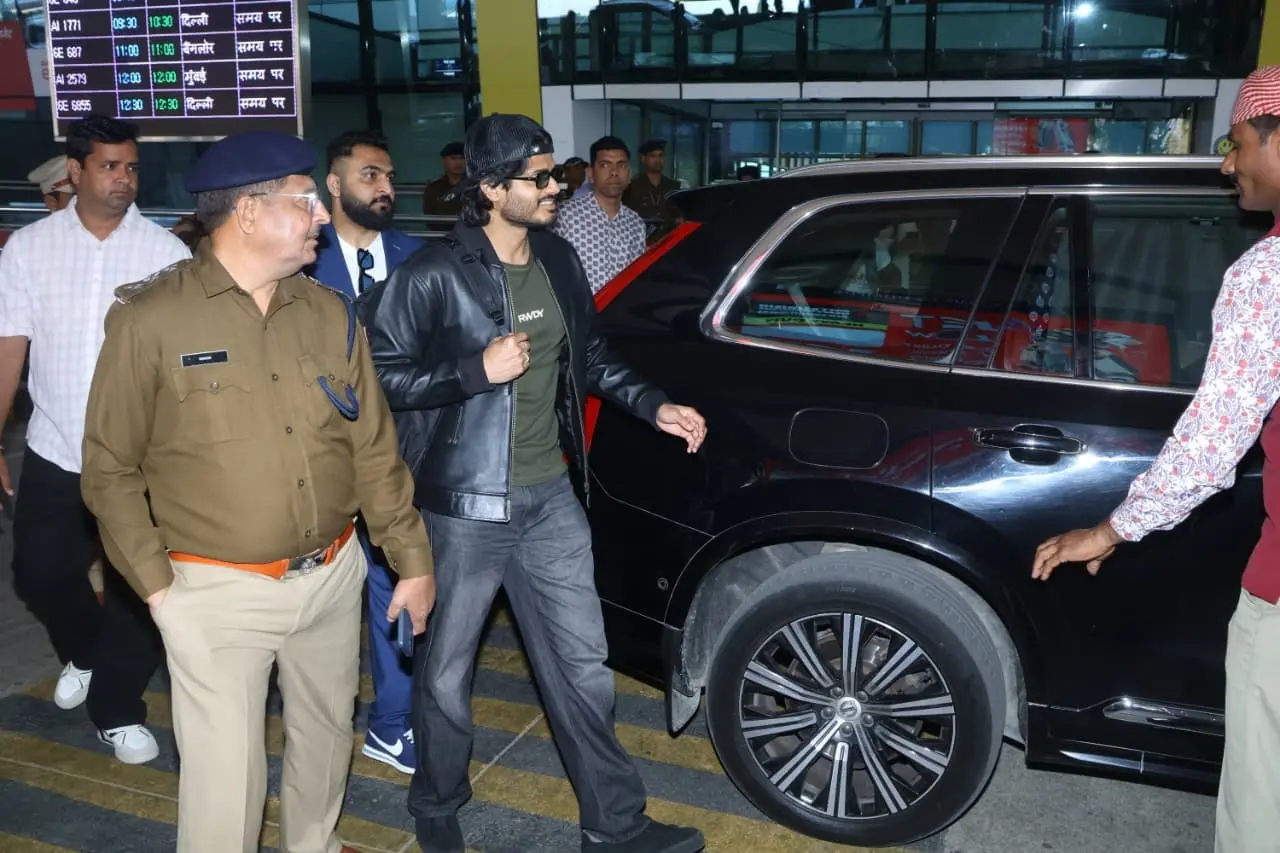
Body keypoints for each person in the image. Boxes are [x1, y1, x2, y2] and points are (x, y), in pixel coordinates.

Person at [357, 113, 709, 853]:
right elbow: (377, 378)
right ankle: (436, 803)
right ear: (490, 188)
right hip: (463, 509)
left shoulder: (557, 259)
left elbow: (594, 356)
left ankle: (613, 825)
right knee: (447, 675)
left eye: (555, 174)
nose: (558, 187)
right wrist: (470, 372)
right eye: (540, 178)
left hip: (551, 497)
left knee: (585, 667)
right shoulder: (432, 272)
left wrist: (656, 404)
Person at [79, 130, 436, 853]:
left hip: (331, 575)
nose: (317, 215)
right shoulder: (152, 320)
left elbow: (372, 447)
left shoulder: (331, 313)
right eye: (304, 200)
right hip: (213, 590)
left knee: (327, 735)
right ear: (247, 212)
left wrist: (413, 558)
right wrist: (157, 589)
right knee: (224, 779)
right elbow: (109, 466)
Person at [1030, 66, 1280, 853]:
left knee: (1261, 807)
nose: (1226, 165)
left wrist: (1112, 529)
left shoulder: (1266, 276)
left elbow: (1211, 443)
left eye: (1237, 144)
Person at [0, 114, 190, 764]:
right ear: (75, 171)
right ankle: (85, 648)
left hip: (142, 460)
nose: (123, 179)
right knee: (38, 572)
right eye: (109, 166)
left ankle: (115, 708)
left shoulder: (166, 255)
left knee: (141, 588)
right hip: (57, 448)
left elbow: (185, 362)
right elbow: (10, 349)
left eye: (131, 167)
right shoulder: (27, 247)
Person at [308, 128, 424, 773]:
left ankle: (391, 722)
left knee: (395, 584)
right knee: (322, 600)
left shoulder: (419, 256)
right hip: (316, 461)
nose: (385, 188)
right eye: (369, 176)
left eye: (388, 177)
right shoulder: (299, 260)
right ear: (334, 184)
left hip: (399, 454)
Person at [553, 136, 648, 294]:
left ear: (629, 174)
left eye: (621, 165)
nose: (614, 172)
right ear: (590, 173)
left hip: (623, 314)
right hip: (581, 314)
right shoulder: (566, 216)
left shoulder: (636, 224)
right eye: (604, 165)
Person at [622, 139, 681, 244]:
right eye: (653, 156)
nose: (657, 160)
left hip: (667, 243)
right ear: (643, 159)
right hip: (639, 243)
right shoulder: (631, 186)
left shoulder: (673, 186)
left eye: (661, 156)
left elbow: (679, 217)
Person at [422, 141, 465, 218]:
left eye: (462, 158)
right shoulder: (434, 187)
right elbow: (429, 216)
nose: (458, 163)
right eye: (453, 158)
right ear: (444, 161)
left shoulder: (474, 186)